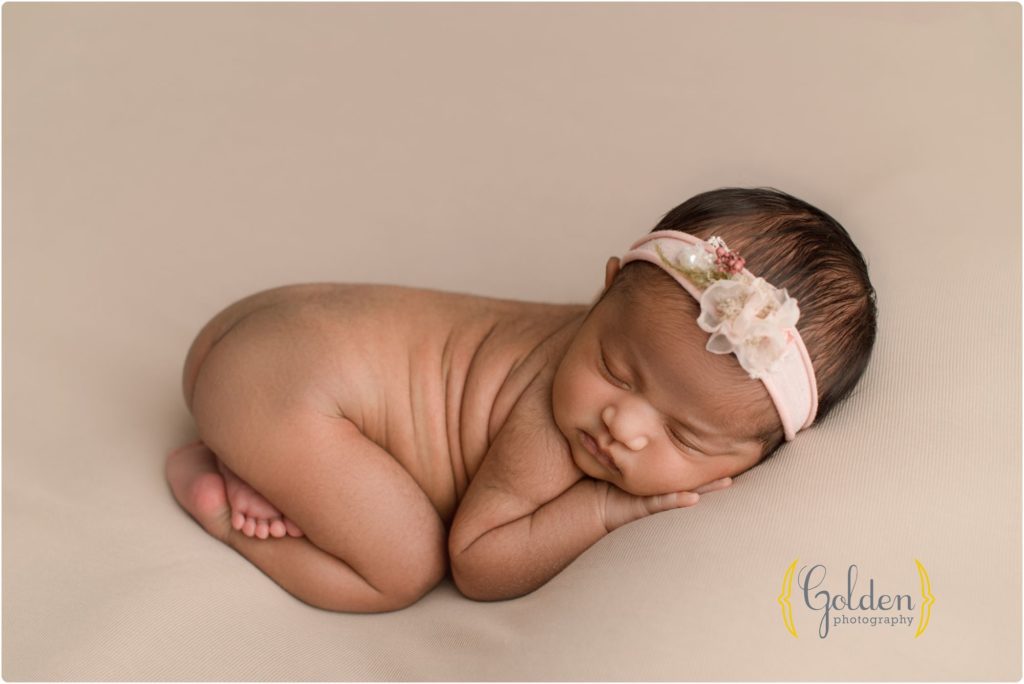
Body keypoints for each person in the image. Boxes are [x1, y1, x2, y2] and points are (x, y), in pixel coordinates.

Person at [165, 186, 878, 612]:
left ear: (763, 453)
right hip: (283, 387)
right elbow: (477, 560)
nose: (621, 423)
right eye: (617, 369)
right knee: (404, 567)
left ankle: (259, 449)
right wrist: (600, 507)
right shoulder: (549, 419)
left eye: (685, 436)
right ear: (605, 291)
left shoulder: (620, 345)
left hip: (267, 334)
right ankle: (220, 496)